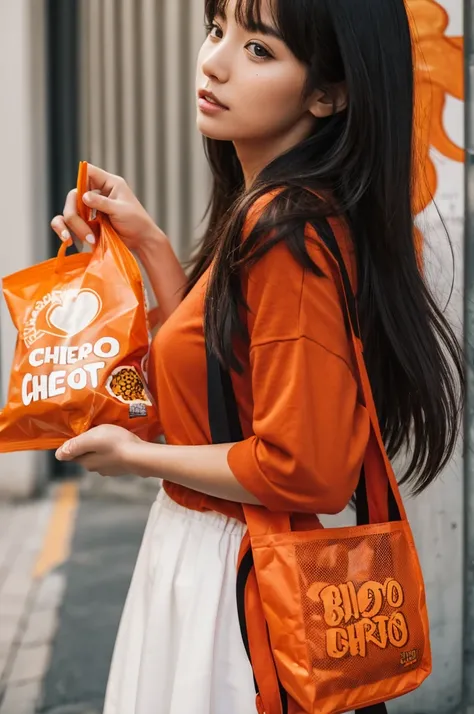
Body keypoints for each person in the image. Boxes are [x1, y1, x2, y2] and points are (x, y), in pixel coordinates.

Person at [52, 0, 464, 712]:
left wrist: (134, 456)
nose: (213, 62)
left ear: (329, 93)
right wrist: (149, 244)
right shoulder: (270, 213)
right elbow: (221, 384)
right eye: (217, 32)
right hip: (210, 560)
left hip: (235, 585)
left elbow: (304, 467)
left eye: (259, 51)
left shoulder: (286, 231)